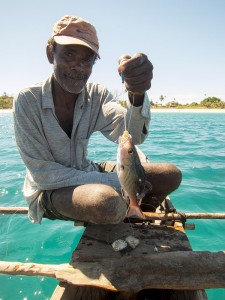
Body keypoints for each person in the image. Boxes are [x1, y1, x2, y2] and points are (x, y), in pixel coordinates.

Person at [13, 15, 182, 224]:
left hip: (87, 171)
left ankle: (135, 215)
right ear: (50, 54)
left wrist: (137, 94)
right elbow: (44, 175)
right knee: (106, 202)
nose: (78, 66)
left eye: (87, 59)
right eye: (69, 55)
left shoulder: (97, 95)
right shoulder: (27, 100)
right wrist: (118, 182)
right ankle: (126, 208)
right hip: (50, 190)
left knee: (169, 174)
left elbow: (132, 135)